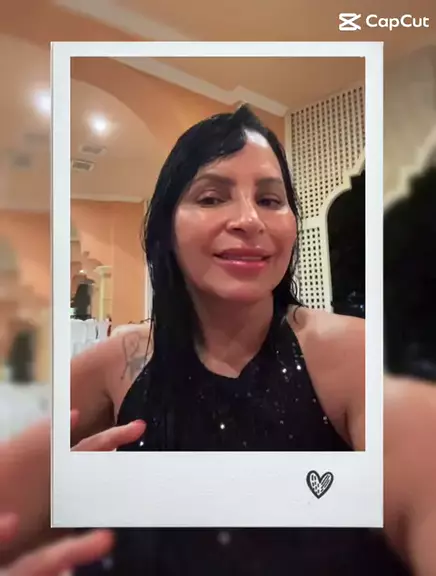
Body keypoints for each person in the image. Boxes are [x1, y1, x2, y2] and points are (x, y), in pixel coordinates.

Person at [1, 105, 436, 574]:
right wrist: (61, 503)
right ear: (166, 227)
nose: (250, 220)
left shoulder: (357, 355)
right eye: (211, 198)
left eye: (270, 200)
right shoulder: (118, 361)